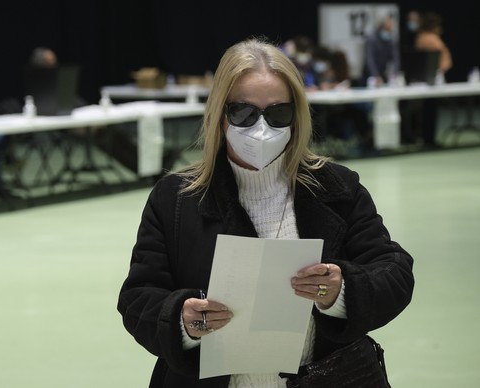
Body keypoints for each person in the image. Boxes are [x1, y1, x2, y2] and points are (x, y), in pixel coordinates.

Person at [117, 38, 415, 387]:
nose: (261, 129)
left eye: (278, 113)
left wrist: (341, 290)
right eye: (243, 113)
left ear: (296, 113)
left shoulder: (337, 189)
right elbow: (138, 297)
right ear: (219, 114)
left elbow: (395, 273)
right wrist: (182, 320)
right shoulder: (176, 198)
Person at [415, 12, 452, 146]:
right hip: (430, 78)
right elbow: (442, 57)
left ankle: (428, 138)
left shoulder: (423, 37)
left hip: (431, 77)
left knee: (428, 109)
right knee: (428, 110)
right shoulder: (429, 39)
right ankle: (428, 139)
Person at [363, 16, 400, 86]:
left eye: (390, 30)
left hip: (382, 72)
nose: (389, 32)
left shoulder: (390, 39)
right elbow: (369, 59)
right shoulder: (371, 39)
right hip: (369, 75)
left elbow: (395, 58)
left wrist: (394, 74)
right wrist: (375, 75)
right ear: (381, 27)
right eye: (387, 29)